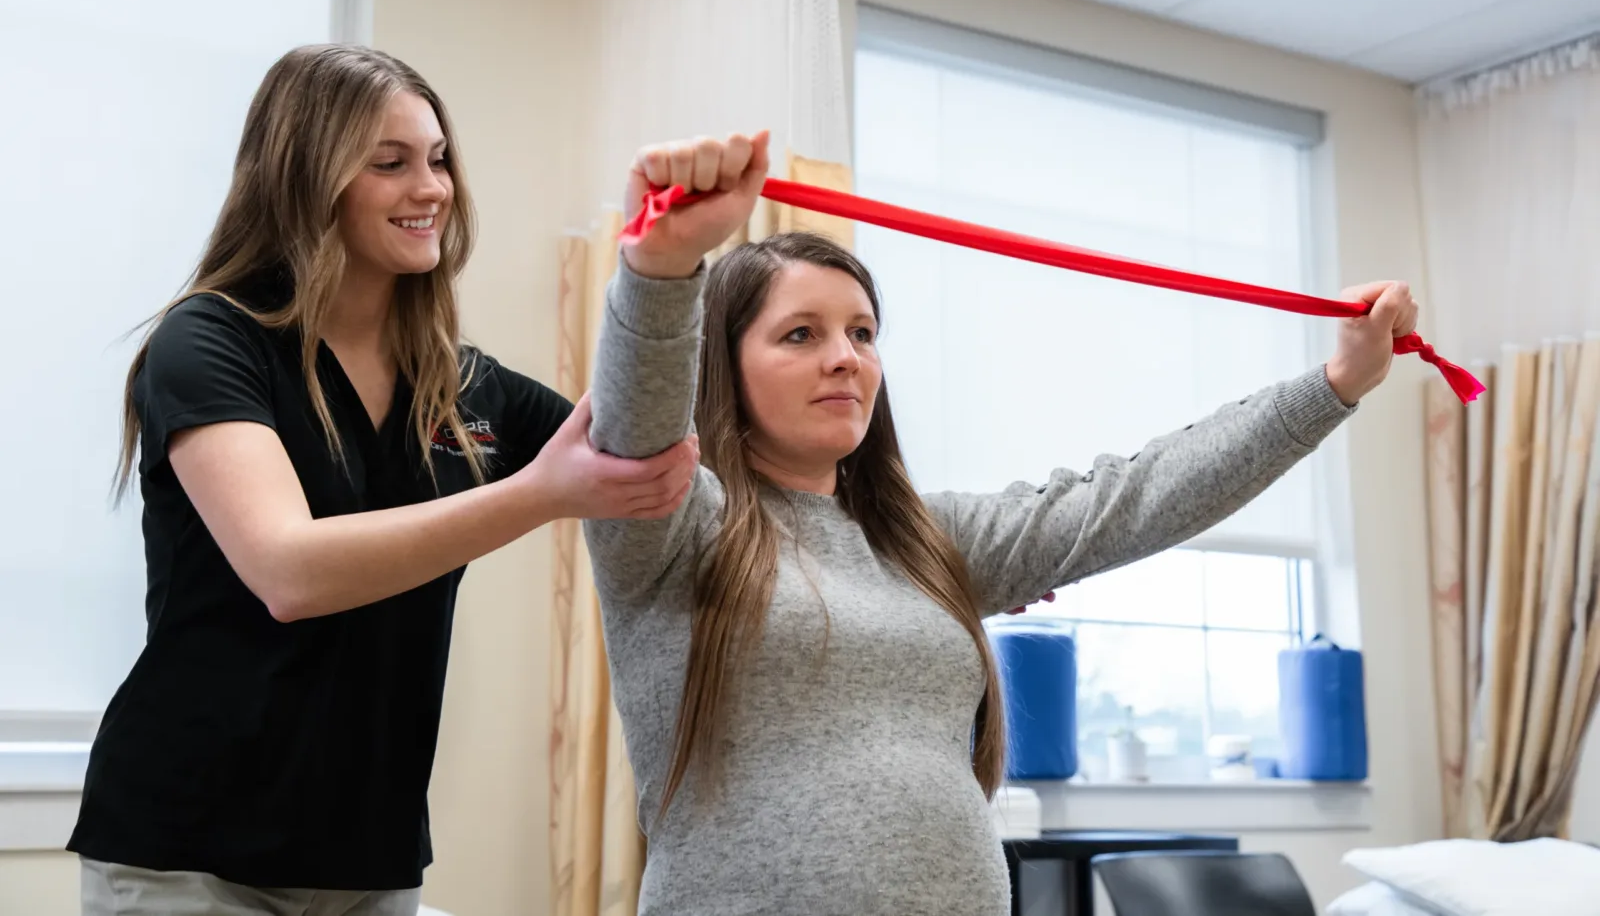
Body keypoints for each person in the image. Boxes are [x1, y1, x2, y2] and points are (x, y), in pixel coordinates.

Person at [583, 131, 1418, 915]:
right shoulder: (672, 521)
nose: (846, 356)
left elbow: (1131, 498)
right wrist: (662, 265)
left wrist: (1334, 384)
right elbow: (635, 416)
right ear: (722, 366)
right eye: (800, 334)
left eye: (863, 333)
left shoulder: (924, 539)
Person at [67, 45, 699, 916]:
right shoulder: (212, 343)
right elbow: (290, 571)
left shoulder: (463, 382)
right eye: (390, 163)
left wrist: (666, 262)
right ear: (305, 179)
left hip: (369, 859)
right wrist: (542, 492)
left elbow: (639, 448)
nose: (432, 187)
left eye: (438, 159)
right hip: (188, 850)